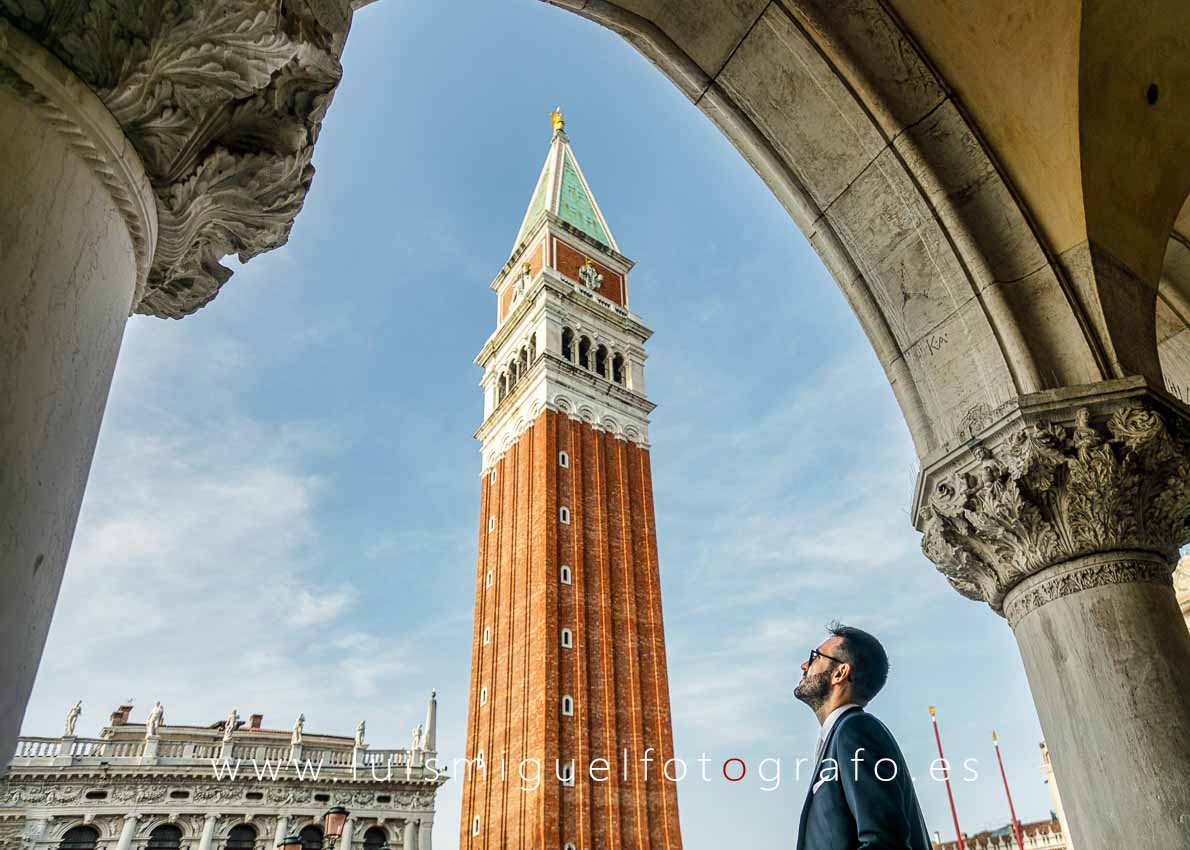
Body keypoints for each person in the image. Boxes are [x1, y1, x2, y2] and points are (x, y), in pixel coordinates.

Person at [794, 623, 930, 850]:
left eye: (815, 657)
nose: (804, 665)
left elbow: (885, 843)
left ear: (840, 672)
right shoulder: (841, 736)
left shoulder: (855, 730)